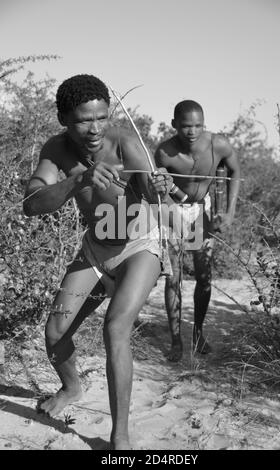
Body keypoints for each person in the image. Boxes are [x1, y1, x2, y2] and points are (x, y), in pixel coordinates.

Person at [23, 74, 172, 450]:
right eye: (83, 120)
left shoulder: (123, 140)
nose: (94, 128)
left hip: (139, 245)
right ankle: (72, 388)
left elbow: (155, 191)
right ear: (63, 119)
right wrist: (78, 181)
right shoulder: (55, 150)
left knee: (115, 327)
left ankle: (119, 436)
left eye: (101, 117)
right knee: (56, 333)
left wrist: (159, 187)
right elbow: (31, 204)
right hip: (95, 250)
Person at [154, 100, 240, 362]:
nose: (192, 131)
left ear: (204, 124)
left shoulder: (218, 144)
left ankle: (198, 332)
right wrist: (171, 216)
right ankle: (176, 340)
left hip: (203, 208)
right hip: (173, 209)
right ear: (174, 125)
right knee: (174, 277)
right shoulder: (165, 152)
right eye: (186, 126)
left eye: (198, 126)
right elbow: (158, 188)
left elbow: (235, 170)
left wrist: (230, 211)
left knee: (204, 277)